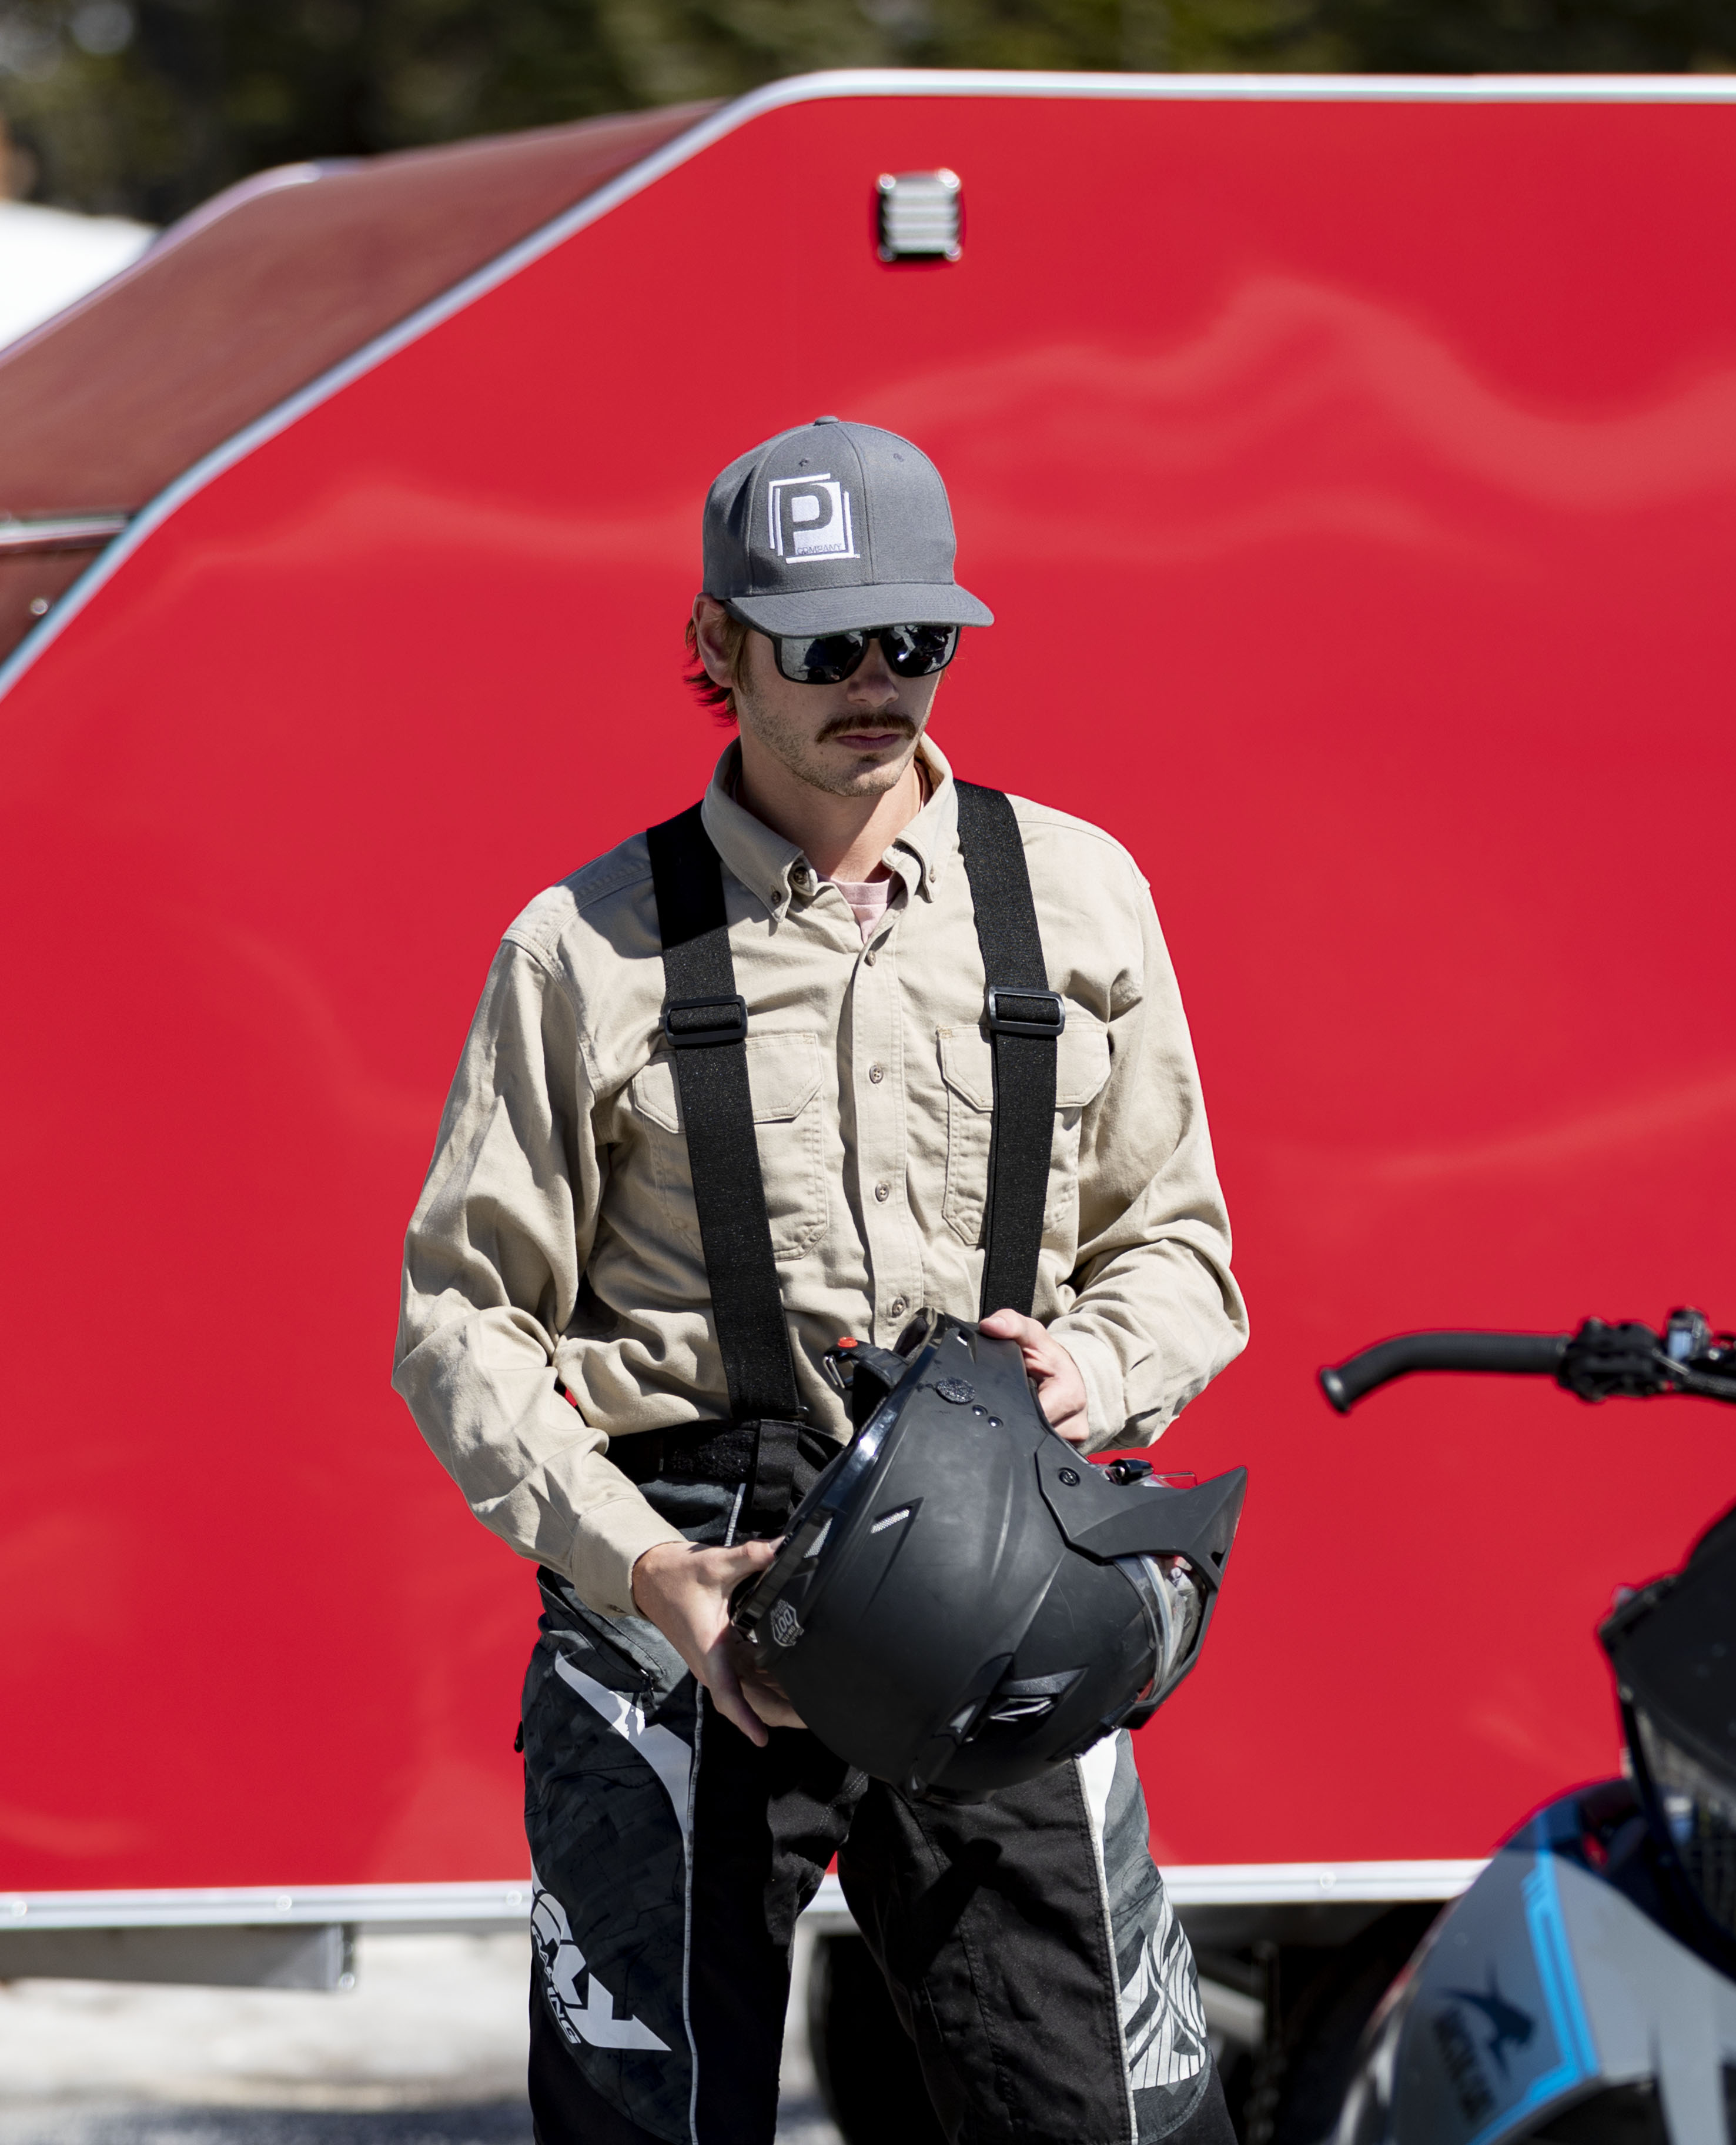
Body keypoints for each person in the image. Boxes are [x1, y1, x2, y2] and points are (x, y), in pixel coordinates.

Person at [394, 416, 1249, 2145]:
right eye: (826, 644)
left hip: (1002, 1566)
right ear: (716, 647)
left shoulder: (1078, 898)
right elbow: (463, 1324)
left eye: (917, 640)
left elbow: (1184, 1253)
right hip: (688, 1587)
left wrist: (1083, 1371)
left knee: (1109, 2123)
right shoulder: (586, 944)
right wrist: (645, 1573)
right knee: (655, 2123)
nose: (880, 681)